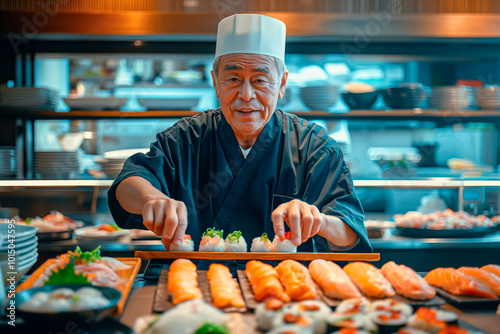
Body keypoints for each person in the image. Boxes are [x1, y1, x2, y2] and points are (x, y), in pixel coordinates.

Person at [108, 14, 372, 253]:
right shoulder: (186, 138)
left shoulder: (314, 147)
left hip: (288, 292)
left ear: (281, 84)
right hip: (196, 289)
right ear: (215, 82)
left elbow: (350, 234)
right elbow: (128, 184)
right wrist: (151, 199)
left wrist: (320, 221)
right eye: (233, 79)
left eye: (259, 80)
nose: (246, 95)